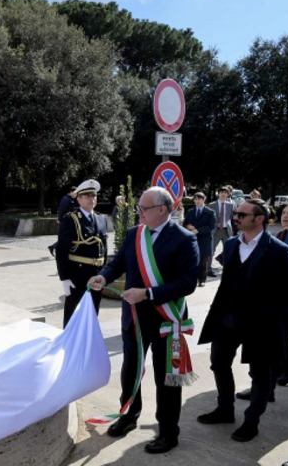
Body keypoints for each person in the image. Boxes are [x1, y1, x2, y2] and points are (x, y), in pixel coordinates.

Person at [89, 186, 199, 454]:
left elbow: (187, 283)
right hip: (135, 319)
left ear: (162, 209)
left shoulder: (184, 239)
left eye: (143, 208)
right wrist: (104, 276)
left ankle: (168, 432)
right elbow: (118, 263)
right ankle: (128, 416)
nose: (138, 212)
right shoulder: (134, 234)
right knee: (131, 370)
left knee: (166, 379)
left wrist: (148, 293)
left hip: (165, 320)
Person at [196, 199, 288, 442]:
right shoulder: (230, 245)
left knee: (260, 374)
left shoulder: (280, 251)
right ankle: (225, 409)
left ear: (259, 219)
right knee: (219, 363)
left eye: (242, 213)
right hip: (227, 319)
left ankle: (252, 422)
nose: (236, 217)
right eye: (236, 212)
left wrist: (279, 324)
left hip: (260, 325)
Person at [55, 180, 107, 327]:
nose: (92, 198)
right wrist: (64, 278)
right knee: (73, 316)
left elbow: (104, 248)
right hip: (77, 275)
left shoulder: (101, 219)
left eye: (94, 195)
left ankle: (88, 346)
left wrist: (104, 274)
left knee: (92, 315)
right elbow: (61, 250)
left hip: (96, 274)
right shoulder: (71, 219)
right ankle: (70, 348)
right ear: (79, 199)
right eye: (87, 196)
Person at [183, 192, 217, 286]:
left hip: (204, 239)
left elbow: (211, 226)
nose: (197, 201)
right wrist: (187, 226)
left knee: (203, 261)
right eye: (196, 199)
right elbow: (185, 223)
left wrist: (198, 230)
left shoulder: (210, 212)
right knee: (192, 260)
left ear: (204, 199)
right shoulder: (190, 211)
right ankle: (192, 279)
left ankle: (202, 280)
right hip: (192, 239)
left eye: (199, 199)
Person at [208, 186, 235, 276]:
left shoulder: (230, 205)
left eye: (225, 193)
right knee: (211, 250)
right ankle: (208, 269)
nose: (223, 194)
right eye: (221, 192)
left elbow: (232, 218)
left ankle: (228, 269)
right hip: (215, 231)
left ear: (228, 194)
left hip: (226, 231)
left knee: (229, 250)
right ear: (218, 194)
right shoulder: (212, 205)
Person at [49, 186, 78, 257]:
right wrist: (59, 219)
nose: (76, 195)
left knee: (68, 236)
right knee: (66, 237)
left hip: (69, 220)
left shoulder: (70, 199)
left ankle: (53, 247)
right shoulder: (66, 199)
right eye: (75, 193)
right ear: (71, 192)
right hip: (65, 221)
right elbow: (61, 210)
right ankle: (54, 247)